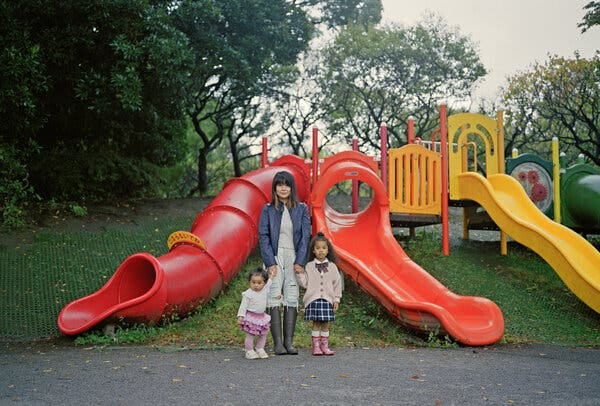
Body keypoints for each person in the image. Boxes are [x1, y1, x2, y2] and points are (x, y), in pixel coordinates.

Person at [258, 170, 311, 355]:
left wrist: (300, 261)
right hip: (274, 255)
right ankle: (278, 344)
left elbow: (306, 237)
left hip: (294, 256)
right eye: (279, 184)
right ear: (274, 188)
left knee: (291, 294)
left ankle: (289, 342)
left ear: (291, 187)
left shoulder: (302, 208)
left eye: (286, 184)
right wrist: (270, 261)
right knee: (273, 294)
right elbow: (263, 236)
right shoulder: (267, 209)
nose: (283, 188)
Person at [296, 231, 342, 356]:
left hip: (327, 300)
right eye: (317, 248)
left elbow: (337, 284)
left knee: (326, 324)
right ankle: (316, 347)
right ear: (313, 251)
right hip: (313, 300)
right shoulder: (309, 266)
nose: (321, 250)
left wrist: (336, 299)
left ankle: (325, 346)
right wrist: (300, 273)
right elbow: (304, 283)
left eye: (323, 248)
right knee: (316, 323)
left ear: (328, 250)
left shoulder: (332, 267)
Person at [237, 267, 274, 359]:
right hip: (251, 317)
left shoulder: (265, 289)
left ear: (264, 283)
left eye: (259, 283)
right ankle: (249, 350)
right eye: (253, 282)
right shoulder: (248, 294)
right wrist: (241, 316)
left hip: (261, 317)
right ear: (249, 282)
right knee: (251, 334)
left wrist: (272, 276)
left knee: (263, 334)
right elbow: (243, 306)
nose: (256, 285)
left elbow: (269, 282)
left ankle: (260, 348)